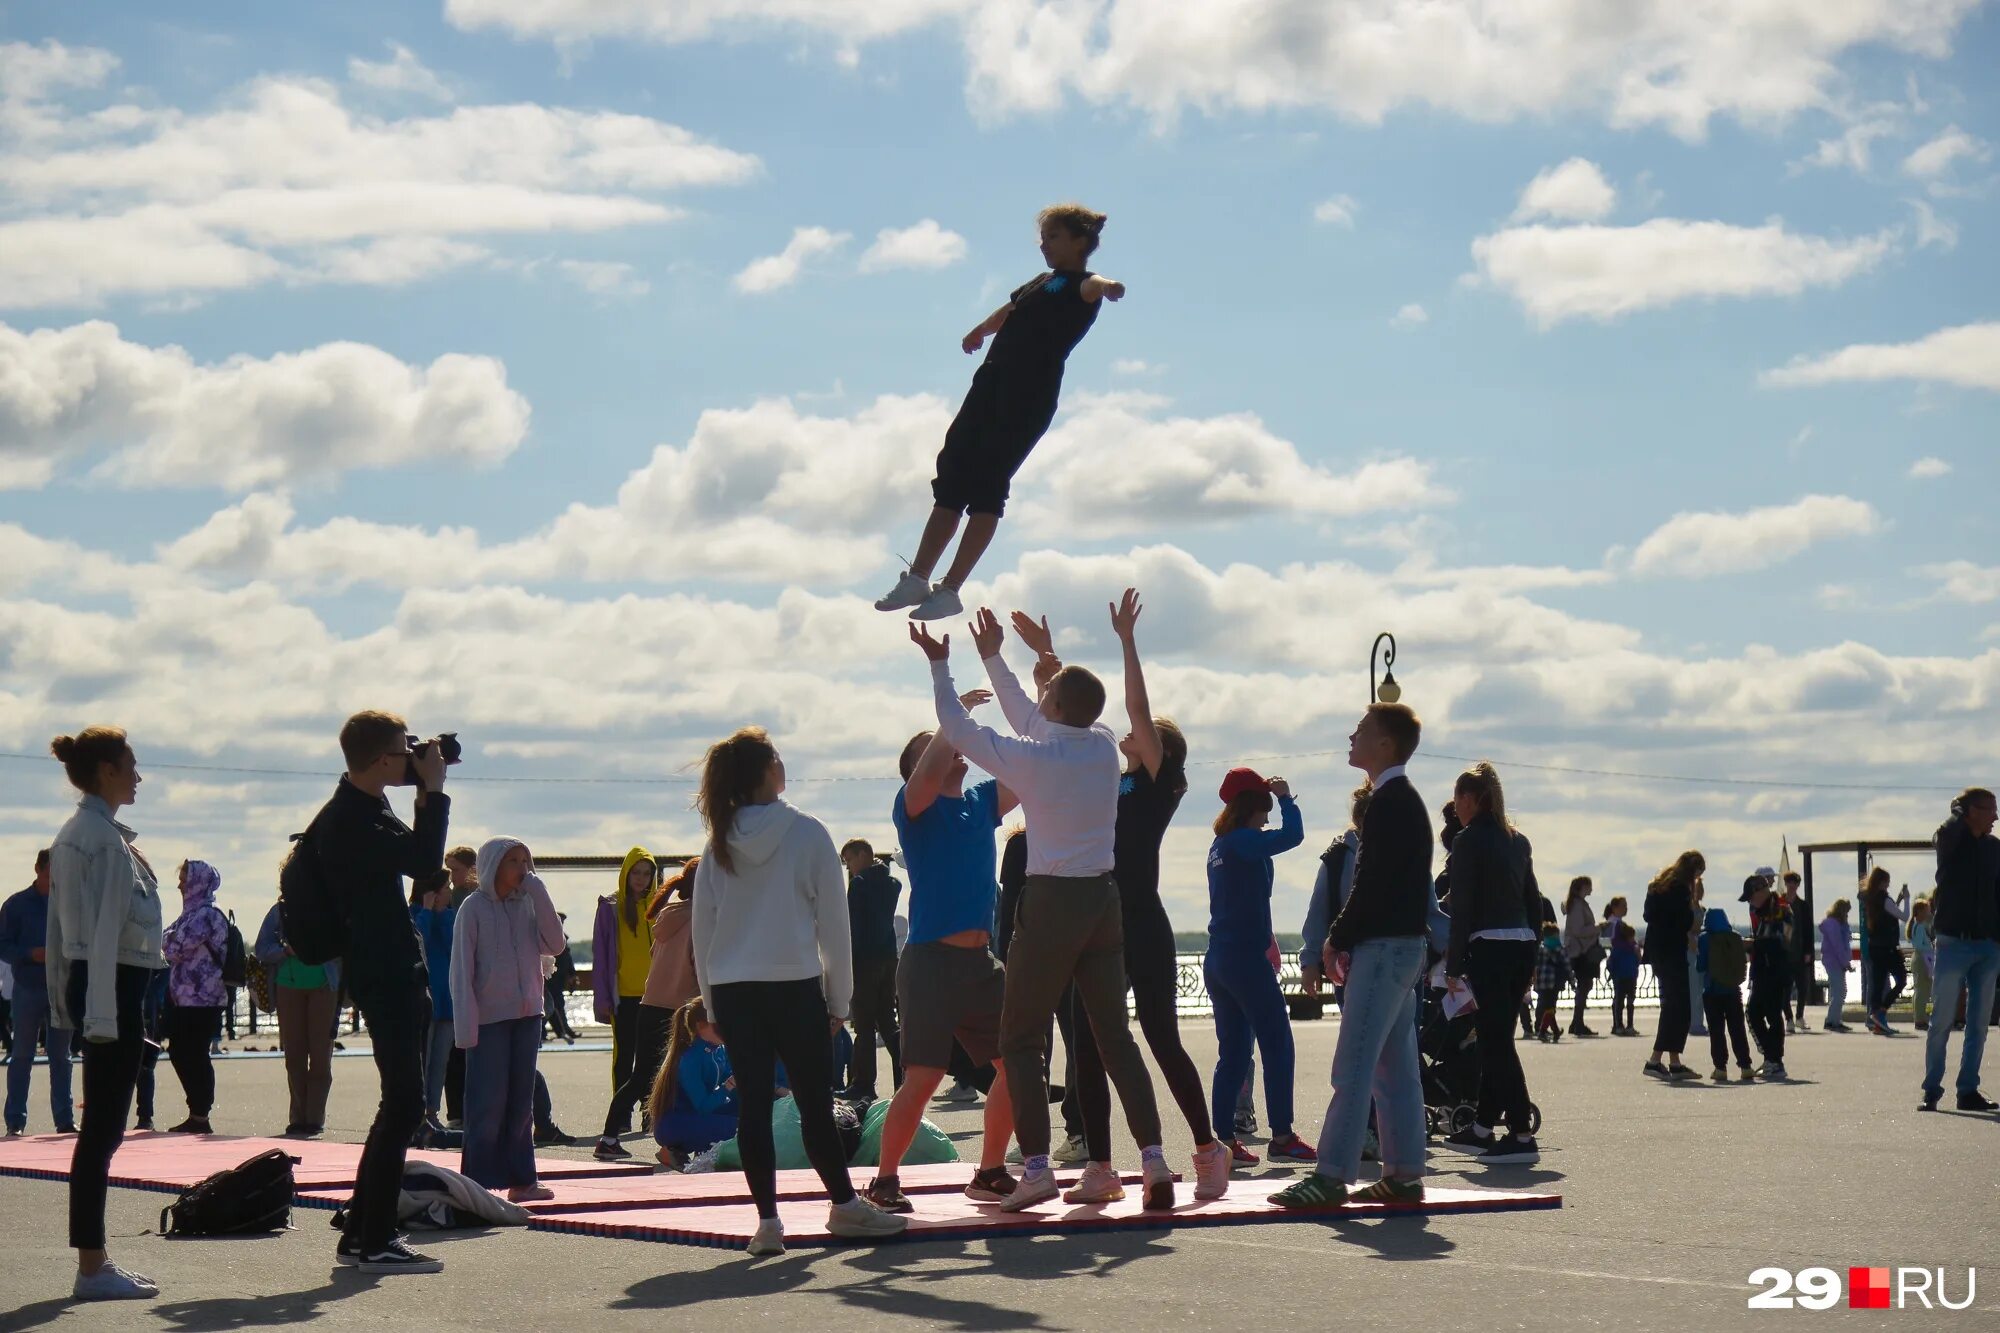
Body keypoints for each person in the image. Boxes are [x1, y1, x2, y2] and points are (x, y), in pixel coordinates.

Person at [913, 611, 1173, 1214]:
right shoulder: (1104, 744)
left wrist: (942, 662)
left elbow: (957, 722)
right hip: (1103, 901)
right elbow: (1034, 716)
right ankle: (1153, 1159)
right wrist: (1001, 658)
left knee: (1022, 1038)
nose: (1040, 695)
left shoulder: (1034, 758)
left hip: (1053, 900)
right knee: (1115, 1036)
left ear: (1053, 703)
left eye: (1047, 690)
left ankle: (1033, 1168)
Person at [1012, 591, 1231, 1196]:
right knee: (1088, 1043)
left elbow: (1135, 705)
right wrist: (1046, 658)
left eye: (1142, 734)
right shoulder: (1098, 771)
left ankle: (1210, 1149)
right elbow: (1058, 723)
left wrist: (1127, 641)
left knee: (1160, 1036)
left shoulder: (1159, 785)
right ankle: (1101, 1167)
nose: (1129, 734)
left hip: (1142, 919)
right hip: (1098, 914)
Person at [691, 727, 907, 1255]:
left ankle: (767, 1223)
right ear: (766, 772)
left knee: (753, 1108)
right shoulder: (807, 832)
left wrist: (713, 1003)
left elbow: (704, 930)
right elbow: (834, 925)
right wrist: (840, 1000)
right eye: (778, 759)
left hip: (735, 990)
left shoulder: (717, 839)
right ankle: (844, 1207)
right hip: (792, 985)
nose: (784, 765)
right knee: (815, 1102)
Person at [873, 205, 1126, 623]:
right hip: (990, 384)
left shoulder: (1082, 285)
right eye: (1043, 237)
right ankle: (918, 576)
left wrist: (1112, 286)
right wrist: (980, 330)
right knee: (952, 476)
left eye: (1053, 237)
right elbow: (1008, 312)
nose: (1043, 244)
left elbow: (1097, 285)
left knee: (988, 486)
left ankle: (950, 588)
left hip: (1028, 395)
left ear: (1079, 242)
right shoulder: (1040, 283)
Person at [1273, 703, 1433, 1209]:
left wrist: (1335, 938)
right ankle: (1405, 1173)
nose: (1351, 736)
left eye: (1361, 730)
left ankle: (1331, 1176)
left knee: (1354, 1067)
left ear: (1385, 744)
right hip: (1407, 950)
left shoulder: (1387, 803)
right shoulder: (1408, 801)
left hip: (1382, 950)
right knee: (1396, 1068)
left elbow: (1370, 885)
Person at [310, 711, 452, 1274]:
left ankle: (363, 1232)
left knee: (400, 1103)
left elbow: (418, 866)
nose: (412, 758)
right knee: (405, 1103)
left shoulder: (364, 807)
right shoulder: (351, 818)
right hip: (382, 969)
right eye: (403, 750)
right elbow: (426, 866)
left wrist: (422, 793)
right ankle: (374, 1239)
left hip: (389, 965)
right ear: (378, 760)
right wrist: (434, 793)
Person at [862, 722, 1021, 1213]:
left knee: (1018, 1066)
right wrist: (951, 721)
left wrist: (1037, 700)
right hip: (929, 961)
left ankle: (989, 1171)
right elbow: (929, 769)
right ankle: (885, 1180)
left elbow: (1027, 770)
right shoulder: (914, 808)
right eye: (934, 748)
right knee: (925, 1077)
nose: (952, 750)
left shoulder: (980, 801)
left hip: (981, 962)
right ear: (917, 769)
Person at [44, 726, 166, 1301]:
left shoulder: (96, 833)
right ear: (107, 771)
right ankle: (92, 1266)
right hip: (109, 989)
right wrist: (99, 1014)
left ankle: (94, 1262)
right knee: (101, 1132)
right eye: (131, 765)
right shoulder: (92, 837)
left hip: (114, 989)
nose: (138, 775)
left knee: (105, 1130)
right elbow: (87, 935)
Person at [1203, 766, 1314, 1167]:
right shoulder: (1245, 842)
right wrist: (1288, 798)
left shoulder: (1220, 846)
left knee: (1232, 1053)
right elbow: (1293, 836)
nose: (1269, 814)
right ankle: (1282, 1136)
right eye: (1266, 805)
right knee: (1277, 1043)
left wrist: (1268, 939)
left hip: (1219, 959)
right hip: (1243, 960)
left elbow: (1243, 900)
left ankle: (1222, 1144)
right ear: (1256, 804)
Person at [1439, 761, 1543, 1163]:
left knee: (1496, 1041)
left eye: (1456, 798)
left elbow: (1462, 908)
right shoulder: (1517, 841)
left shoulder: (1468, 841)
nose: (1454, 806)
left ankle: (1519, 1133)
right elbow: (1532, 902)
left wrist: (1453, 961)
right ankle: (1483, 1127)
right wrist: (1532, 955)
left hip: (1489, 947)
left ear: (1470, 798)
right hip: (1520, 946)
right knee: (1497, 1037)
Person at [451, 838, 565, 1203]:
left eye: (524, 861)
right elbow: (461, 970)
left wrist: (538, 888)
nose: (521, 867)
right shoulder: (473, 908)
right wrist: (466, 1026)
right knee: (487, 1102)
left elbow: (556, 945)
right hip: (488, 1020)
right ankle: (477, 1184)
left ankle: (522, 1179)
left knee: (521, 1103)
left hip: (528, 1014)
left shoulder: (529, 903)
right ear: (492, 865)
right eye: (512, 861)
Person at [596, 859, 699, 1158]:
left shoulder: (666, 915)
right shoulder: (702, 918)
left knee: (642, 1075)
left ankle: (609, 1137)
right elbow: (702, 965)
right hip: (683, 1009)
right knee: (683, 1075)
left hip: (650, 1004)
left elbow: (657, 953)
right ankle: (675, 1143)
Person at [1920, 788, 2000, 1113]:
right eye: (1989, 809)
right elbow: (1948, 828)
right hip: (1953, 942)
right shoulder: (1950, 840)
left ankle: (1968, 1090)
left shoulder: (1995, 849)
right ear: (1969, 812)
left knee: (1979, 1023)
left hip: (1988, 945)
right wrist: (1957, 811)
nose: (1996, 816)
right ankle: (1931, 1089)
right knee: (1941, 1020)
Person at [2, 849, 75, 1136]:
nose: (54, 879)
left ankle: (65, 1120)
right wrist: (30, 954)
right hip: (28, 988)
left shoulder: (69, 903)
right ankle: (15, 1121)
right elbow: (3, 946)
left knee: (62, 1057)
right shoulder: (16, 905)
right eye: (49, 873)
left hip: (61, 989)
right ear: (37, 870)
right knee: (22, 1055)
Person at [591, 846, 655, 1157]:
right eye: (637, 872)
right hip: (624, 997)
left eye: (647, 873)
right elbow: (601, 957)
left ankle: (650, 1110)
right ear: (626, 873)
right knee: (624, 1057)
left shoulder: (658, 907)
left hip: (655, 996)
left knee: (654, 1057)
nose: (641, 879)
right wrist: (602, 998)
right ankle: (622, 1115)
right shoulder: (610, 908)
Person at [254, 898, 338, 1137]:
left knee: (321, 1056)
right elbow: (262, 948)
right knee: (295, 1055)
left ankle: (314, 1118)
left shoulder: (331, 905)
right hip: (287, 985)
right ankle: (298, 1117)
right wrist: (285, 950)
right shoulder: (281, 911)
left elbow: (346, 943)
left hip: (325, 984)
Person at [158, 860, 228, 1134]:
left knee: (194, 1054)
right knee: (179, 1050)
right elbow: (165, 942)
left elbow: (172, 946)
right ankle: (197, 1111)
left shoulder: (207, 915)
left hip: (204, 999)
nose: (179, 885)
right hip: (183, 999)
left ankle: (200, 1114)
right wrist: (169, 940)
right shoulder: (190, 914)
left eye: (185, 879)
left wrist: (169, 940)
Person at [839, 840, 904, 1102]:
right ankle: (906, 1074)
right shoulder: (892, 884)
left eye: (850, 860)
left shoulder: (860, 885)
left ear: (863, 855)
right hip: (888, 958)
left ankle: (863, 1083)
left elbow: (851, 927)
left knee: (864, 1024)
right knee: (888, 1021)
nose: (850, 867)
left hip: (864, 960)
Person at [648, 998, 742, 1167]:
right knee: (737, 1127)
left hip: (696, 1115)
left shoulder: (718, 1050)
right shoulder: (690, 1058)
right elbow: (703, 1106)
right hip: (676, 1123)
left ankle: (702, 1151)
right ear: (700, 1026)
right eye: (719, 1025)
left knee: (751, 1115)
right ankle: (677, 1147)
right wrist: (729, 1085)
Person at [1642, 851, 1702, 1081]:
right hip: (1673, 952)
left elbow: (1648, 915)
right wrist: (1692, 906)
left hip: (1657, 952)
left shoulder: (1656, 886)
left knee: (1672, 1005)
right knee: (1678, 1007)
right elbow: (1686, 922)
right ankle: (1655, 1060)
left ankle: (1674, 1062)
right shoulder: (1681, 889)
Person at [410, 871, 457, 1144]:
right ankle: (417, 1114)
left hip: (447, 1001)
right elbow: (419, 944)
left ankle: (432, 1112)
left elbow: (454, 946)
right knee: (422, 1061)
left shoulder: (449, 916)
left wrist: (441, 914)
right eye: (446, 887)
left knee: (439, 1062)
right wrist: (427, 911)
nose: (450, 891)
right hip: (424, 1001)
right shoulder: (413, 915)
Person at [440, 847, 478, 1124]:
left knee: (471, 1054)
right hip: (455, 983)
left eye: (454, 869)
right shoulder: (449, 895)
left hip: (475, 983)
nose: (451, 876)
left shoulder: (475, 897)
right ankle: (456, 1113)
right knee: (454, 1054)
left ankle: (469, 1111)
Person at [1697, 904, 1754, 1082]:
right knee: (1737, 1029)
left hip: (1712, 991)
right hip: (1733, 990)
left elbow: (1701, 966)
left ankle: (1720, 1068)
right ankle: (1745, 1066)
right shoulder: (1735, 937)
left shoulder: (1705, 938)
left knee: (1717, 1031)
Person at [1744, 874, 1791, 1079]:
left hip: (1776, 971)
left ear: (1761, 891)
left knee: (1771, 1014)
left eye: (1750, 896)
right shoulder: (1762, 911)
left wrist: (1754, 944)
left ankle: (1775, 1061)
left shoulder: (1781, 908)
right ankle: (1771, 1058)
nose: (1749, 901)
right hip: (1762, 969)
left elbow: (1783, 941)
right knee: (1753, 1013)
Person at [1857, 870, 1910, 1036]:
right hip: (1888, 948)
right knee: (1901, 980)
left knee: (1878, 985)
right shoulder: (1885, 900)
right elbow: (1904, 916)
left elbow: (1887, 912)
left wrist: (1898, 900)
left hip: (1875, 948)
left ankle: (1878, 1020)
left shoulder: (1871, 899)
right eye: (1887, 881)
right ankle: (1880, 1013)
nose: (1888, 884)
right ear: (1881, 882)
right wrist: (1907, 899)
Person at [1561, 876, 1600, 1037]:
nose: (1591, 888)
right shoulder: (1577, 905)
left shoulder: (1577, 904)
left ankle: (1577, 1022)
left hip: (1578, 951)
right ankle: (1578, 1022)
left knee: (1584, 986)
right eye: (1588, 885)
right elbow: (1578, 931)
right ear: (1581, 887)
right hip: (1581, 951)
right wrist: (1598, 928)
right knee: (1584, 986)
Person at [1780, 871, 1811, 1033]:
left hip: (1800, 952)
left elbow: (1808, 930)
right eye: (1789, 882)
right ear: (1785, 884)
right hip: (1784, 953)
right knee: (1785, 989)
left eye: (1795, 883)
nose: (1792, 885)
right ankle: (1789, 1019)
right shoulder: (1778, 903)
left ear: (1798, 885)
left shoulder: (1803, 905)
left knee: (1802, 986)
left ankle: (1799, 1016)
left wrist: (1808, 951)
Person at [1820, 900, 1854, 1033]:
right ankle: (1832, 1020)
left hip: (1834, 961)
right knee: (1839, 992)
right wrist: (1845, 962)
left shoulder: (1836, 924)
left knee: (1838, 991)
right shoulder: (1834, 925)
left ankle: (1835, 1019)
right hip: (1834, 962)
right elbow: (1838, 946)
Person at [1534, 926, 1569, 1041]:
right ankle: (1542, 1032)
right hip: (1554, 982)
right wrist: (1572, 981)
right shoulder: (1559, 949)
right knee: (1550, 1008)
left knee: (1548, 1007)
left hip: (1541, 982)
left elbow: (1535, 965)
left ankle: (1555, 1031)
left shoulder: (1540, 948)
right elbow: (1567, 966)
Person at [1607, 921, 1640, 1036]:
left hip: (1620, 978)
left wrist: (1612, 973)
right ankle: (1628, 1025)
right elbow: (1637, 961)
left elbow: (1610, 963)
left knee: (1619, 1002)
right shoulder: (1632, 948)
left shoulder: (1617, 949)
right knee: (1628, 1002)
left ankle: (1619, 1025)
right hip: (1629, 977)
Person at [1910, 898, 1935, 1031]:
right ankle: (1920, 1019)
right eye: (1926, 910)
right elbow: (1920, 945)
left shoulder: (1919, 926)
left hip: (1921, 958)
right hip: (1922, 958)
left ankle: (1920, 1017)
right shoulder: (1919, 927)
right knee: (1922, 990)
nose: (1929, 913)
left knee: (1921, 989)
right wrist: (1931, 950)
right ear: (1919, 912)